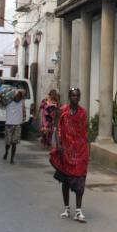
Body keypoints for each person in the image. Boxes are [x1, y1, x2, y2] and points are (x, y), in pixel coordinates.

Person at [50, 87, 89, 223]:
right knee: (65, 181)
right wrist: (59, 144)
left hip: (79, 151)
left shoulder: (83, 113)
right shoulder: (62, 111)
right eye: (73, 95)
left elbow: (84, 132)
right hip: (65, 151)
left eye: (77, 95)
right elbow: (56, 128)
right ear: (69, 96)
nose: (75, 98)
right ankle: (67, 208)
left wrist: (84, 149)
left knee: (80, 180)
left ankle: (78, 211)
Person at [2, 89, 26, 164]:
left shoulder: (22, 102)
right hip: (9, 124)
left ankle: (12, 159)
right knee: (8, 143)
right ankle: (6, 152)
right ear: (13, 96)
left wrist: (23, 120)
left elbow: (24, 91)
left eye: (20, 97)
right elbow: (1, 102)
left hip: (17, 125)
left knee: (14, 143)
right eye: (17, 96)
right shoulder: (8, 102)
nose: (18, 98)